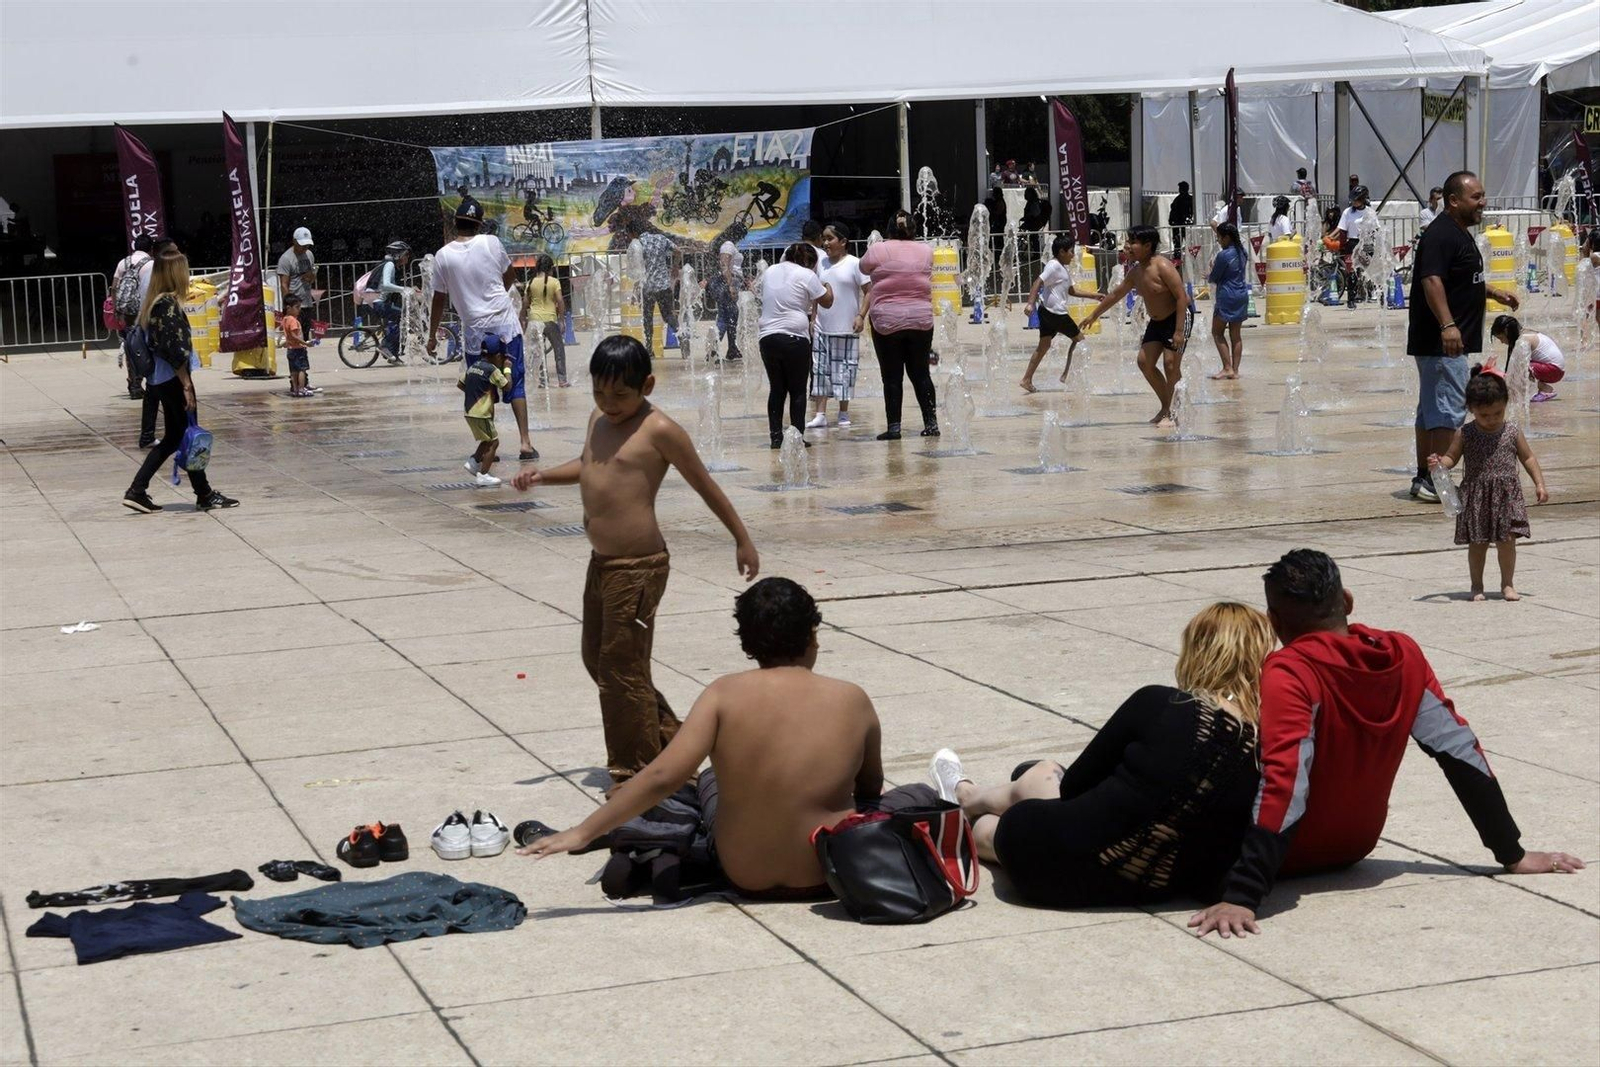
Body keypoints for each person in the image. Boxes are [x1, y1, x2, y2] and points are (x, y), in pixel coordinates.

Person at [1189, 550, 1583, 939]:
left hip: (1287, 858)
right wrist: (1511, 852)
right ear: (1346, 601)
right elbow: (1461, 752)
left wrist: (1243, 894)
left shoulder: (1289, 670)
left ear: (1274, 621)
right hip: (1354, 845)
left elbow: (1287, 779)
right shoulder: (1402, 655)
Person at [517, 578, 938, 898]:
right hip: (829, 869)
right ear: (812, 635)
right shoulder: (853, 699)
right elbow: (870, 788)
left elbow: (663, 774)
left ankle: (656, 847)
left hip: (744, 872)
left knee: (711, 780)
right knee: (915, 795)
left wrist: (582, 831)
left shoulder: (722, 694)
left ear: (748, 645)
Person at [511, 337, 759, 789]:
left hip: (640, 566)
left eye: (620, 395)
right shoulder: (599, 420)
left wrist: (741, 539)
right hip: (602, 563)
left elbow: (705, 485)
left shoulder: (659, 430)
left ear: (646, 384)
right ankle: (674, 744)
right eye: (599, 393)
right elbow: (589, 466)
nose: (608, 404)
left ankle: (637, 775)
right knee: (600, 660)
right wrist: (543, 474)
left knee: (620, 670)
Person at [927, 602, 1271, 908]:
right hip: (1151, 886)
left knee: (1023, 795)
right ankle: (970, 796)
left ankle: (966, 798)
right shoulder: (1263, 742)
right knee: (1045, 781)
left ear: (1199, 652)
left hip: (1053, 868)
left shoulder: (1161, 703)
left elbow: (1075, 785)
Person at [1404, 170, 1520, 503]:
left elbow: (1461, 278)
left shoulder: (1456, 232)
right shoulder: (1442, 234)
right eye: (1476, 197)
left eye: (1483, 195)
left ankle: (1425, 478)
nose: (1483, 203)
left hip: (1442, 341)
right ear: (1454, 201)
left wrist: (1494, 292)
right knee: (1448, 412)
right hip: (1442, 342)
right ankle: (1437, 482)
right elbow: (1432, 281)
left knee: (1431, 412)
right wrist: (1448, 325)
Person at [120, 241, 238, 515]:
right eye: (184, 271)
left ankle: (139, 490)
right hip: (174, 380)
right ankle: (203, 494)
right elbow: (173, 349)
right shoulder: (167, 306)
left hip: (161, 380)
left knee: (177, 436)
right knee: (189, 434)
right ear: (175, 274)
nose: (188, 276)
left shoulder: (155, 303)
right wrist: (186, 384)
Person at [426, 196, 538, 461]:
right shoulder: (492, 243)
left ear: (455, 223)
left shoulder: (442, 256)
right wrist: (495, 296)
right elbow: (510, 276)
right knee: (515, 382)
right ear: (479, 224)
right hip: (505, 326)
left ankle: (489, 444)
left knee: (482, 387)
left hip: (475, 332)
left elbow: (438, 299)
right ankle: (525, 443)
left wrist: (432, 335)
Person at [1428, 368, 1548, 601]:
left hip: (1506, 495)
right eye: (1484, 415)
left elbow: (1528, 458)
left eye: (1497, 413)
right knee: (1478, 544)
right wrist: (1439, 463)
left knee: (1507, 542)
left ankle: (1508, 584)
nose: (1492, 419)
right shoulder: (1465, 433)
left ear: (1506, 404)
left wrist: (1539, 484)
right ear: (1471, 409)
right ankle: (1477, 586)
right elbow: (1451, 458)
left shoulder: (1512, 430)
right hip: (1477, 496)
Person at [1079, 225, 1190, 428]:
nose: (1127, 246)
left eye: (1132, 242)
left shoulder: (1163, 266)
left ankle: (1175, 411)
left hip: (1177, 318)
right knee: (1144, 362)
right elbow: (1115, 294)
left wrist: (1179, 331)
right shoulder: (1135, 272)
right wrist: (1094, 314)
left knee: (1170, 365)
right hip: (1157, 322)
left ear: (1147, 246)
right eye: (1127, 242)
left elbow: (1182, 297)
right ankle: (1167, 406)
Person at [858, 210, 939, 441]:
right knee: (921, 374)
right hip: (920, 320)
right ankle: (931, 423)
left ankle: (894, 427)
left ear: (889, 228)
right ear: (913, 229)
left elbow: (863, 268)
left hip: (886, 321)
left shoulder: (878, 249)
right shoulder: (926, 250)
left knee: (892, 377)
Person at [758, 243, 832, 448]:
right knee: (798, 390)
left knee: (777, 389)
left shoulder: (770, 270)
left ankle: (775, 437)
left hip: (767, 337)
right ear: (808, 262)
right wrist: (826, 283)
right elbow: (827, 301)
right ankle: (797, 437)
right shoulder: (806, 275)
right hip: (795, 338)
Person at [807, 223, 869, 429]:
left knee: (845, 370)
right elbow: (817, 294)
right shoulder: (821, 264)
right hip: (822, 325)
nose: (825, 243)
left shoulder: (854, 263)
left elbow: (870, 291)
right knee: (820, 370)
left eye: (830, 239)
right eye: (823, 239)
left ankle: (843, 412)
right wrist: (812, 318)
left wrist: (861, 315)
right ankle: (820, 413)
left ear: (843, 242)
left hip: (846, 325)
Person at [1019, 234, 1093, 392]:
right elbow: (1037, 282)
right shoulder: (1054, 266)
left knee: (1044, 346)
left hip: (1046, 311)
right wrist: (1030, 303)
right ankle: (1066, 375)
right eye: (1071, 252)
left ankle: (1026, 379)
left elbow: (1071, 290)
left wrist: (1094, 296)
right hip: (1056, 313)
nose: (1073, 255)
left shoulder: (1062, 268)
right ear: (1062, 251)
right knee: (1080, 341)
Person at [460, 337, 511, 488]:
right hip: (481, 413)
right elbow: (507, 386)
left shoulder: (473, 366)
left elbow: (460, 383)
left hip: (470, 411)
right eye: (502, 358)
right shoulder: (492, 370)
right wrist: (507, 369)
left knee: (486, 440)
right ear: (497, 356)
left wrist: (476, 393)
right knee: (494, 442)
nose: (502, 360)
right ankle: (483, 475)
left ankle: (473, 462)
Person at [1204, 223, 1251, 380]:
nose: (1218, 241)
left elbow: (1215, 277)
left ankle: (1227, 367)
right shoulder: (1242, 252)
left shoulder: (1224, 255)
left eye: (1219, 238)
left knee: (1217, 332)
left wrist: (1210, 272)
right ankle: (1235, 371)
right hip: (1241, 294)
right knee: (1236, 335)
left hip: (1227, 295)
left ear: (1227, 237)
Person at [110, 234, 154, 400]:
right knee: (148, 345)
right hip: (145, 311)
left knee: (131, 346)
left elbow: (114, 287)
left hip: (128, 312)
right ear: (150, 248)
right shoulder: (151, 264)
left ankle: (134, 383)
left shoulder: (124, 262)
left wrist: (117, 309)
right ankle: (150, 380)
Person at [1487, 314, 1563, 402]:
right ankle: (1542, 388)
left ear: (1506, 332)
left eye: (1500, 338)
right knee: (1518, 367)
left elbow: (1517, 370)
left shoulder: (1524, 340)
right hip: (1553, 368)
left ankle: (1546, 390)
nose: (1501, 342)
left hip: (1555, 371)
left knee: (1520, 367)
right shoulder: (1524, 334)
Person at [523, 254, 569, 388]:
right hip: (550, 319)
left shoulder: (530, 282)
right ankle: (562, 379)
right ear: (550, 268)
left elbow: (525, 302)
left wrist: (522, 318)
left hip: (534, 320)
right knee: (558, 349)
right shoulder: (554, 282)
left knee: (538, 351)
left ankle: (543, 381)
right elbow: (560, 301)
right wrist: (561, 319)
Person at [371, 240, 412, 365]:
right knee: (399, 316)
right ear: (398, 254)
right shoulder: (389, 265)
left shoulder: (390, 264)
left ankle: (393, 354)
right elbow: (386, 285)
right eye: (406, 255)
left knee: (397, 320)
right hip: (377, 302)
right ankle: (384, 346)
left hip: (378, 301)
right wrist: (403, 290)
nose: (407, 258)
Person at [637, 231, 676, 354]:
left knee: (648, 317)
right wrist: (675, 265)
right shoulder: (662, 238)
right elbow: (678, 250)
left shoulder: (640, 243)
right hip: (663, 285)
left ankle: (649, 348)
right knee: (668, 315)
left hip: (648, 287)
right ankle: (682, 335)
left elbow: (638, 267)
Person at [1334, 186, 1373, 308]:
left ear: (1363, 199)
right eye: (1353, 200)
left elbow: (1376, 229)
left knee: (1370, 270)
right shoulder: (1347, 212)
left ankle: (1373, 294)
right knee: (1352, 272)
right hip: (1352, 243)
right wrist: (1341, 245)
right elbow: (1342, 230)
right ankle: (1351, 299)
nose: (1354, 202)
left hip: (1366, 243)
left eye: (1356, 200)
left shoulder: (1370, 212)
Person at [275, 227, 318, 335]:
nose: (305, 248)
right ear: (294, 241)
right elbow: (284, 284)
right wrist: (288, 307)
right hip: (294, 306)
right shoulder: (286, 259)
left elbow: (312, 278)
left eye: (307, 245)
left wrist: (311, 276)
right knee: (295, 337)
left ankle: (304, 350)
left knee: (306, 335)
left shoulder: (309, 255)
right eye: (302, 245)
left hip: (307, 303)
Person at [711, 235, 745, 361]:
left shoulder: (727, 245)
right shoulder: (728, 245)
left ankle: (732, 349)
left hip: (728, 282)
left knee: (730, 317)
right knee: (726, 318)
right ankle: (713, 350)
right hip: (728, 283)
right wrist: (730, 285)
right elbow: (724, 264)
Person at [282, 295, 313, 398]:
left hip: (290, 350)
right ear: (289, 308)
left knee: (293, 371)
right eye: (297, 307)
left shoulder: (285, 319)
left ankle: (295, 389)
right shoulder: (293, 321)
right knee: (302, 370)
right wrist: (305, 343)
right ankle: (301, 389)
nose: (299, 310)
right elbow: (294, 335)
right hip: (298, 349)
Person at [1169, 182, 1195, 250]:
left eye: (1181, 188)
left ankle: (1190, 258)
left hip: (1184, 224)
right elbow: (1173, 210)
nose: (1180, 189)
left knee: (1189, 243)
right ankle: (1178, 258)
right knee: (1178, 244)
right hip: (1177, 224)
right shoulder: (1178, 199)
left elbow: (1192, 211)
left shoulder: (1189, 199)